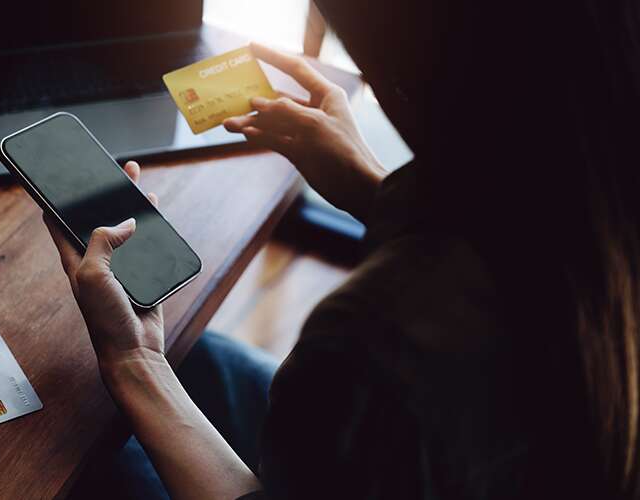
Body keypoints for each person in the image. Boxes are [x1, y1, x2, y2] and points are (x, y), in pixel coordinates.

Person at [45, 0, 640, 498]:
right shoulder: (597, 203)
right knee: (201, 355)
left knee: (76, 460)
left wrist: (134, 363)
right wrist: (377, 191)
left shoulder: (380, 340)